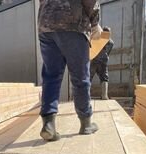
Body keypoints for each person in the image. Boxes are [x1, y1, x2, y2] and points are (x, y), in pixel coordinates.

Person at [38, 0, 102, 141]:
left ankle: (48, 124)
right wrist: (95, 22)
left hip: (46, 24)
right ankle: (86, 124)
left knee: (51, 75)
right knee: (80, 77)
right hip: (73, 22)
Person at [90, 26, 114, 100]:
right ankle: (104, 96)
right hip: (103, 60)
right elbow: (108, 52)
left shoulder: (97, 39)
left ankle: (86, 96)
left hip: (94, 59)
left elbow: (91, 48)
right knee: (104, 77)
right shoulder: (111, 42)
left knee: (89, 77)